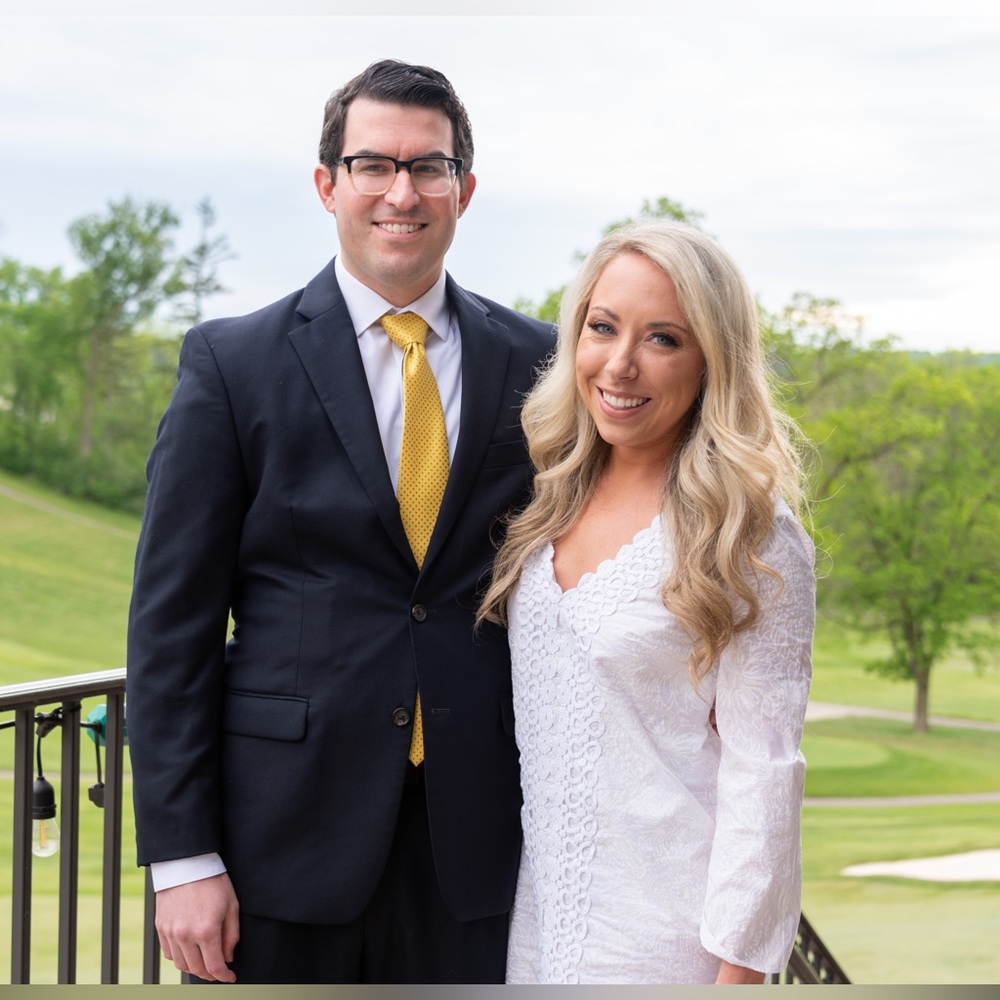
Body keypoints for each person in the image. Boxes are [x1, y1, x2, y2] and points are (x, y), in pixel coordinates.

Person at [125, 59, 554, 984]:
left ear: (464, 190)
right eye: (374, 165)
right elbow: (172, 628)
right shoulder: (231, 365)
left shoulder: (541, 362)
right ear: (329, 185)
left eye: (428, 167)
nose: (402, 191)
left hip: (481, 842)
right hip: (279, 844)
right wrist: (182, 858)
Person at [478, 218, 816, 984]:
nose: (620, 365)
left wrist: (739, 974)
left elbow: (764, 778)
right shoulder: (547, 494)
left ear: (712, 361)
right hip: (529, 938)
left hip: (665, 951)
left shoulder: (750, 534)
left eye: (663, 339)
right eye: (603, 328)